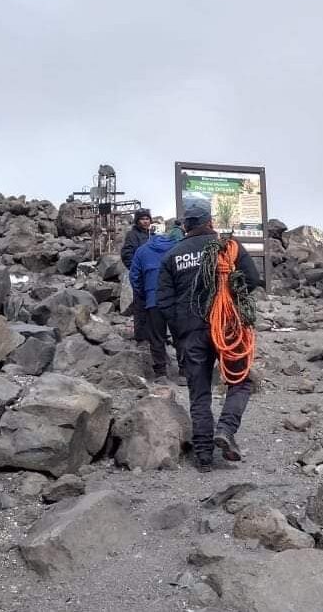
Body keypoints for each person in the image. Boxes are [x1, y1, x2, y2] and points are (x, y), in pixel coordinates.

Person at [157, 202, 260, 472]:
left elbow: (164, 301)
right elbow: (252, 278)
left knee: (199, 391)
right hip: (227, 327)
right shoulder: (229, 247)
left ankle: (203, 456)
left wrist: (180, 330)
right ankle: (225, 429)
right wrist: (233, 300)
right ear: (210, 222)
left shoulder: (172, 256)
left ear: (186, 225)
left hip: (191, 332)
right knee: (240, 381)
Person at [129, 230, 179, 381]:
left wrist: (143, 294)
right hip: (175, 300)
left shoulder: (142, 250)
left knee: (157, 337)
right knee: (180, 335)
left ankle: (160, 372)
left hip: (153, 300)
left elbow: (134, 276)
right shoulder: (177, 248)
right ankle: (184, 372)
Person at [121, 208, 152, 341]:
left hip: (151, 277)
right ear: (137, 221)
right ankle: (140, 337)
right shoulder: (132, 235)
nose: (145, 222)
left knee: (152, 305)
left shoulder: (151, 235)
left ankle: (152, 334)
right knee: (140, 306)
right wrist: (136, 271)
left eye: (147, 219)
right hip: (140, 276)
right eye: (142, 219)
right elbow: (127, 255)